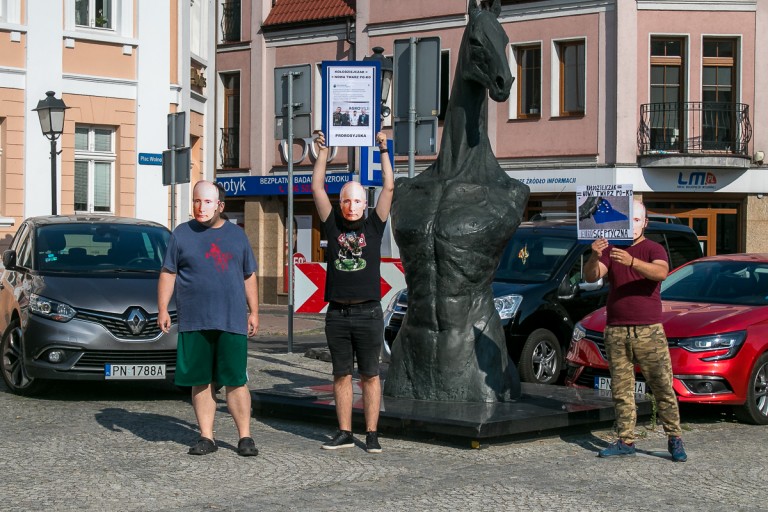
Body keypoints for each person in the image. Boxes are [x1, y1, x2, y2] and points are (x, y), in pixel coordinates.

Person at [157, 180, 260, 457]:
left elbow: (248, 274)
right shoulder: (181, 234)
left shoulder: (237, 236)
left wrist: (254, 311)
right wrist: (163, 308)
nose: (200, 207)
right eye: (196, 201)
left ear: (220, 206)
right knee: (200, 380)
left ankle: (245, 437)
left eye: (207, 202)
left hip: (231, 320)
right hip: (195, 320)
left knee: (236, 379)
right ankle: (206, 436)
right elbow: (169, 272)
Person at [584, 199, 687, 462]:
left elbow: (661, 273)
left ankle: (675, 438)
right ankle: (625, 439)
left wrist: (632, 262)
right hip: (616, 329)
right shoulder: (612, 248)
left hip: (648, 330)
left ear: (645, 223)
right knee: (621, 389)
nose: (632, 225)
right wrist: (594, 255)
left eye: (637, 220)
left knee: (662, 385)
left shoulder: (654, 248)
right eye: (628, 219)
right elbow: (591, 276)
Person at [311, 130, 394, 453]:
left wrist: (384, 150)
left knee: (370, 376)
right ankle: (345, 431)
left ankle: (372, 434)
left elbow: (389, 186)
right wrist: (322, 153)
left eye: (357, 200)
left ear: (364, 203)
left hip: (368, 312)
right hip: (337, 314)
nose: (350, 205)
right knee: (341, 375)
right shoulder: (332, 225)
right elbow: (317, 187)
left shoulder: (374, 225)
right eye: (346, 199)